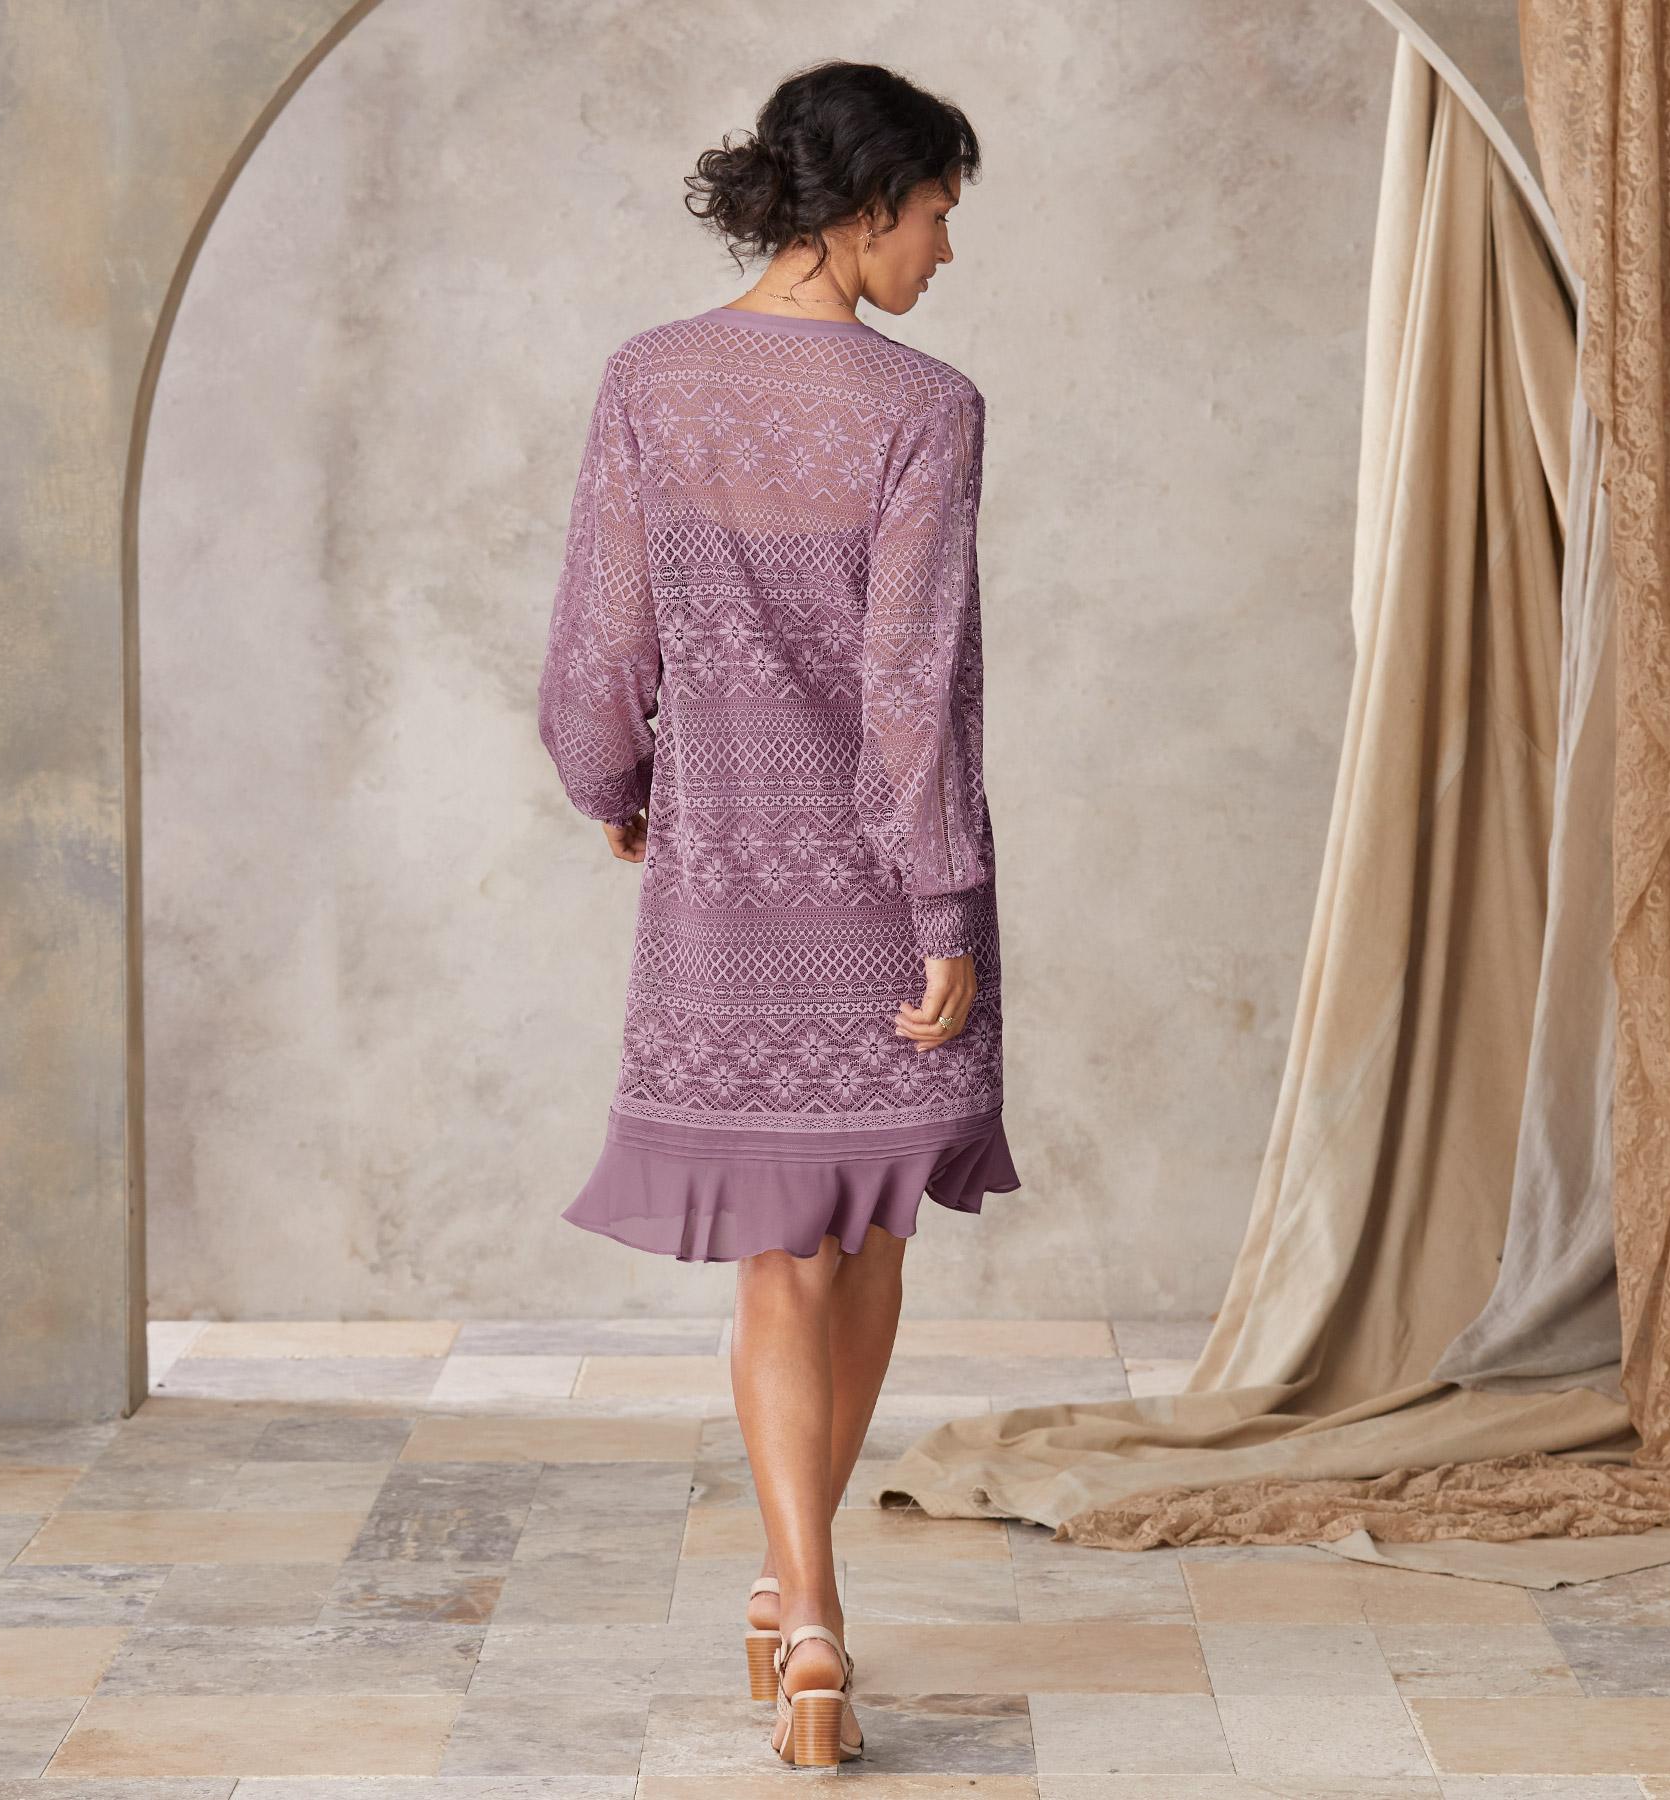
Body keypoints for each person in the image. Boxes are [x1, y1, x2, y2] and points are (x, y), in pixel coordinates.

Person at [536, 57, 1019, 1767]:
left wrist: (614, 785)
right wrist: (945, 903)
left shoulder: (649, 381)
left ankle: (795, 1604)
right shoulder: (925, 407)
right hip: (888, 890)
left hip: (722, 882)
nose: (947, 248)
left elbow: (600, 644)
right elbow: (911, 685)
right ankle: (807, 1608)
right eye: (939, 212)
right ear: (868, 206)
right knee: (866, 1235)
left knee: (780, 1262)